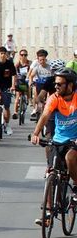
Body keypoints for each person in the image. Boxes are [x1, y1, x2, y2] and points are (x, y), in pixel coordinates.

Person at [28, 66, 77, 227]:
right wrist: (36, 133)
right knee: (51, 173)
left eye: (60, 84)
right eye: (55, 84)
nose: (56, 87)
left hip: (74, 141)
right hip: (58, 140)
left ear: (70, 85)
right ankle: (48, 213)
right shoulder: (54, 98)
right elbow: (45, 116)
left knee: (70, 158)